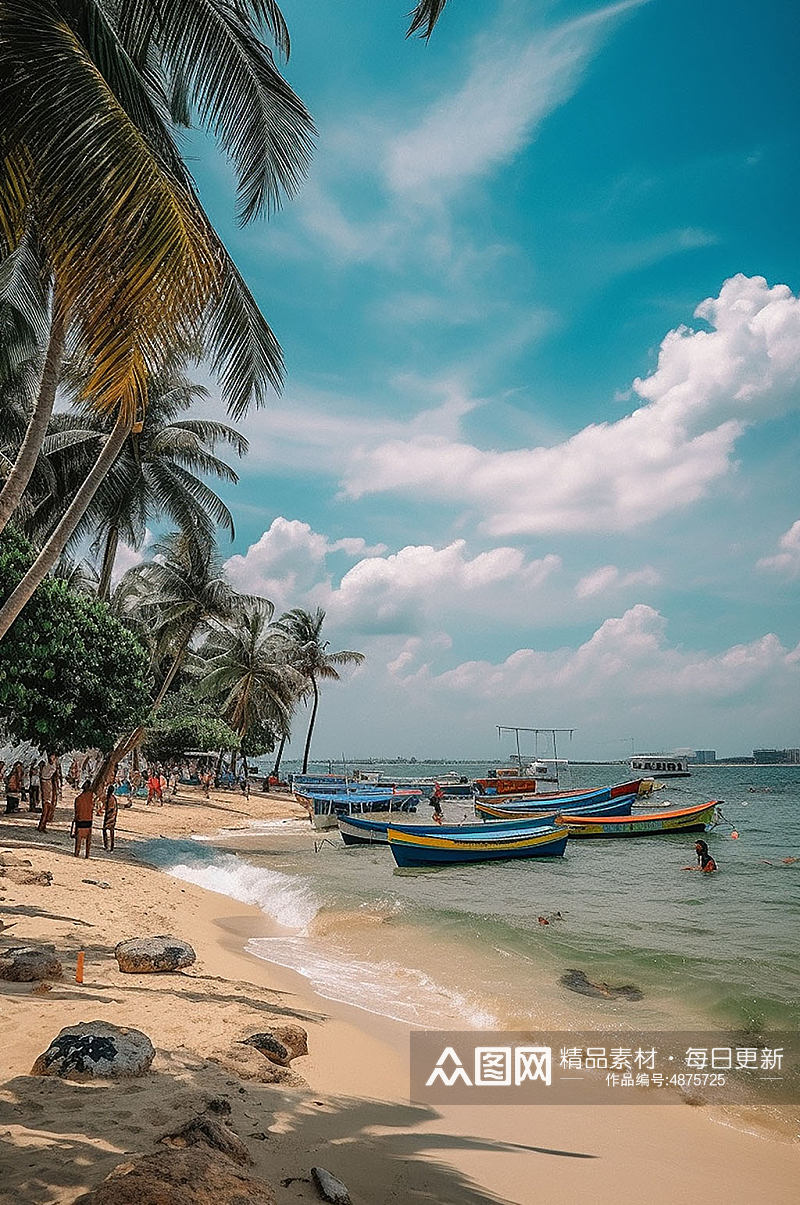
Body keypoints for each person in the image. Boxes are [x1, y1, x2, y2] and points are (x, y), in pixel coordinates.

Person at [38, 753, 60, 832]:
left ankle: (43, 825)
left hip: (49, 784)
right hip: (46, 785)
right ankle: (42, 825)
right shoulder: (46, 768)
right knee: (46, 806)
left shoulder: (52, 765)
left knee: (49, 807)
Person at [73, 781, 95, 858]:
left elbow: (76, 812)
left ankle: (77, 853)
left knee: (78, 840)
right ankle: (87, 855)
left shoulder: (78, 799)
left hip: (80, 820)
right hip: (88, 820)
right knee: (88, 841)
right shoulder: (91, 797)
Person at [102, 783, 119, 851]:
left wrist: (104, 810)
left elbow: (110, 808)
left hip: (110, 817)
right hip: (111, 816)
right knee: (110, 831)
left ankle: (108, 845)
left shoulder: (111, 799)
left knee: (106, 830)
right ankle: (110, 845)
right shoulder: (111, 798)